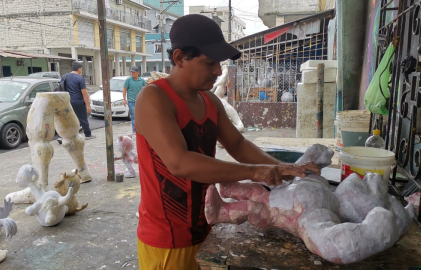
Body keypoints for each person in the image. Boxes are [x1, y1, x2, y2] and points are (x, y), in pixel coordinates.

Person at [134, 14, 320, 270]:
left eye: (219, 63)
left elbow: (238, 145)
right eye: (209, 62)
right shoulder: (154, 99)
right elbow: (180, 163)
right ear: (179, 58)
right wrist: (256, 172)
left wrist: (282, 169)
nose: (219, 71)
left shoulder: (209, 101)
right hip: (167, 238)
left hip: (206, 225)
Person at [57, 62, 95, 144]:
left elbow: (60, 87)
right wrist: (88, 105)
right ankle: (88, 134)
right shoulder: (80, 78)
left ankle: (61, 136)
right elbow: (84, 92)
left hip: (67, 101)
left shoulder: (64, 76)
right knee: (83, 118)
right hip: (78, 102)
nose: (81, 70)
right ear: (79, 69)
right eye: (81, 68)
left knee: (66, 119)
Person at [123, 66, 146, 134]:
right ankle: (134, 131)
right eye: (131, 72)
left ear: (138, 72)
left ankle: (141, 130)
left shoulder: (142, 81)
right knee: (134, 117)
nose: (132, 73)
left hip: (140, 102)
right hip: (131, 101)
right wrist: (124, 100)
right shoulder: (128, 80)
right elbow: (124, 90)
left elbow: (144, 90)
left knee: (141, 117)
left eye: (133, 72)